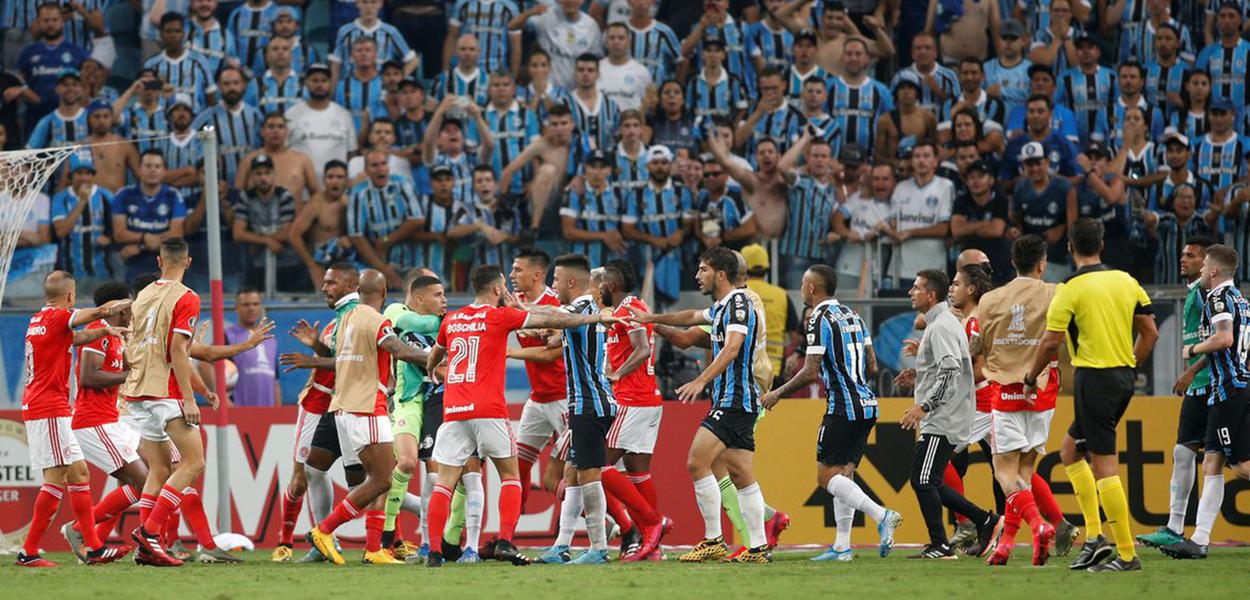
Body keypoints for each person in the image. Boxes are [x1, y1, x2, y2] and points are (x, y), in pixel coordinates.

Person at [421, 264, 625, 567]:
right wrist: (597, 316)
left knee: (444, 483)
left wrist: (431, 370)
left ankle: (434, 552)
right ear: (495, 290)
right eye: (503, 285)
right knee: (510, 476)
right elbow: (549, 317)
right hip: (488, 410)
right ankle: (505, 541)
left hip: (454, 411)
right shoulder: (500, 316)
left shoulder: (452, 319)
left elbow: (436, 354)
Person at [1021, 218, 1159, 572]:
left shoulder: (1069, 288)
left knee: (1104, 468)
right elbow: (1150, 333)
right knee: (1070, 452)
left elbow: (1050, 342)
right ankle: (1095, 536)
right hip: (1122, 378)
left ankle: (1127, 555)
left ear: (1069, 247)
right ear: (1101, 245)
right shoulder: (1126, 281)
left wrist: (1030, 376)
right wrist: (1130, 366)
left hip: (1094, 380)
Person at [628, 247, 774, 563]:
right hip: (736, 400)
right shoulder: (723, 306)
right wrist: (651, 318)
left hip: (734, 400)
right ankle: (759, 547)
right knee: (740, 473)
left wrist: (701, 380)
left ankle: (713, 540)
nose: (697, 276)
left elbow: (733, 348)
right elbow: (690, 317)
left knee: (697, 462)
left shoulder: (738, 303)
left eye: (703, 269)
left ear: (721, 274)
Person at [280, 268, 432, 565]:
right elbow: (398, 349)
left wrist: (314, 353)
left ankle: (375, 547)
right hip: (367, 407)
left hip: (344, 408)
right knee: (383, 479)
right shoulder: (376, 320)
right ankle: (325, 531)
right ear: (384, 294)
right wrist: (436, 358)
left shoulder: (346, 319)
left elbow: (342, 359)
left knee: (374, 480)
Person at [763, 264, 902, 562]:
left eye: (802, 283)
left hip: (842, 405)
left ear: (813, 288)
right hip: (867, 403)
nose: (801, 288)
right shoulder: (854, 316)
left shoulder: (818, 319)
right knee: (844, 474)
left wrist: (777, 392)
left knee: (826, 477)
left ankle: (881, 514)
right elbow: (872, 364)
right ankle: (842, 546)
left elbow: (810, 370)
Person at [15, 271, 133, 568]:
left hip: (50, 407)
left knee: (79, 473)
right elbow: (94, 313)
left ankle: (93, 547)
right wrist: (116, 307)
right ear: (70, 295)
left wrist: (106, 332)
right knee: (55, 480)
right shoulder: (59, 316)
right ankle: (28, 551)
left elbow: (75, 338)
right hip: (49, 407)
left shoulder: (39, 320)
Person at [975, 238, 1077, 566]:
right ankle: (1006, 544)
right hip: (1043, 392)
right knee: (1024, 471)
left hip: (1005, 391)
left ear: (1013, 261)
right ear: (1042, 264)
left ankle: (1038, 525)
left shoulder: (990, 299)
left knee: (1004, 473)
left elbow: (978, 346)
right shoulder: (1056, 292)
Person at [121, 238, 222, 566]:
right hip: (166, 394)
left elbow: (131, 344)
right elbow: (179, 350)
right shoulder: (187, 297)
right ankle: (149, 535)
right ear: (188, 262)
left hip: (137, 392)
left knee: (161, 468)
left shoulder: (142, 295)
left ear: (159, 261)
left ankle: (145, 549)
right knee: (194, 464)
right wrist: (190, 399)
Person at [894, 269, 1003, 559]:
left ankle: (941, 543)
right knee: (930, 480)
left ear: (931, 296)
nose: (910, 292)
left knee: (923, 480)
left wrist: (924, 406)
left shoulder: (940, 326)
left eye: (916, 288)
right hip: (947, 414)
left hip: (942, 418)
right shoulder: (943, 322)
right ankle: (984, 520)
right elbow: (948, 368)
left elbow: (951, 370)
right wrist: (919, 378)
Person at [1164, 244, 1250, 560]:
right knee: (1212, 460)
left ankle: (1199, 539)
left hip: (1229, 390)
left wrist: (1194, 350)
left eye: (1203, 268)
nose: (1200, 273)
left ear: (1213, 270)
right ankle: (1199, 539)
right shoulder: (1241, 299)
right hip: (1231, 387)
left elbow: (1225, 338)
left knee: (1240, 466)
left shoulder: (1217, 298)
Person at [1136, 236, 1214, 552]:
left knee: (1232, 463)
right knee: (1185, 452)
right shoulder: (1196, 291)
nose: (1183, 259)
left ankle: (1177, 527)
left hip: (1211, 384)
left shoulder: (1209, 294)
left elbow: (1222, 339)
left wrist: (1192, 370)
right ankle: (1174, 527)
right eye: (1182, 254)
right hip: (1202, 385)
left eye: (1191, 255)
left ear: (1207, 262)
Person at [379, 275, 446, 558]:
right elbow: (413, 324)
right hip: (405, 401)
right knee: (405, 463)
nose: (444, 301)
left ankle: (434, 541)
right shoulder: (396, 312)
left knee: (436, 473)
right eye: (438, 295)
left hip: (435, 400)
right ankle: (388, 535)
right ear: (418, 297)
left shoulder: (445, 323)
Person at [347, 150, 425, 289]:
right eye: (374, 165)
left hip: (408, 259)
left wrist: (387, 240)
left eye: (383, 164)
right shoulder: (358, 193)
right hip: (375, 261)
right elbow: (356, 235)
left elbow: (417, 219)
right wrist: (383, 269)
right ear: (366, 170)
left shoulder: (402, 183)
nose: (380, 168)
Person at [885, 143, 954, 290]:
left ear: (935, 161)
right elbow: (893, 224)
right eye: (917, 156)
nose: (921, 160)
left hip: (934, 270)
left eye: (926, 156)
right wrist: (891, 231)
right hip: (901, 268)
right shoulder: (901, 187)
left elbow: (944, 228)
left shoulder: (945, 186)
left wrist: (910, 232)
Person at [111, 151, 187, 282]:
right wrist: (146, 238)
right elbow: (119, 234)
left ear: (164, 171)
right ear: (139, 169)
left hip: (164, 258)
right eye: (148, 166)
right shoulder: (124, 194)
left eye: (157, 166)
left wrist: (142, 245)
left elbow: (176, 234)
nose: (153, 170)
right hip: (131, 260)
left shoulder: (173, 195)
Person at [17, 3, 89, 130]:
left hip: (70, 117)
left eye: (54, 20)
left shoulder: (78, 53)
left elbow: (86, 87)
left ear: (62, 21)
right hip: (35, 118)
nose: (50, 24)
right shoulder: (28, 53)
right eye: (46, 20)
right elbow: (19, 83)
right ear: (38, 22)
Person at [1009, 141, 1073, 281]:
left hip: (1057, 258)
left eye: (1038, 163)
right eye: (1029, 164)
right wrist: (1014, 229)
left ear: (1047, 162)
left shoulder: (1063, 187)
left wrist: (1061, 228)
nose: (1034, 168)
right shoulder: (1021, 188)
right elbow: (1015, 218)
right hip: (1029, 261)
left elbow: (1074, 223)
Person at [193, 66, 263, 190]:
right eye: (226, 84)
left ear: (243, 85)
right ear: (219, 86)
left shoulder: (256, 116)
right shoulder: (207, 119)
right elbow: (197, 152)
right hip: (219, 190)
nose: (232, 88)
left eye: (236, 83)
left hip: (252, 190)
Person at [51, 155, 114, 290]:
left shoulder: (106, 196)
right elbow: (61, 231)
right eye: (79, 173)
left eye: (88, 173)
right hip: (70, 274)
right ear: (71, 176)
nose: (84, 178)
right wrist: (82, 201)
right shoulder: (61, 198)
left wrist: (110, 240)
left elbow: (117, 229)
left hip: (103, 272)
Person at [510, 0, 603, 91]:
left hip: (576, 92)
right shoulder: (545, 17)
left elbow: (596, 60)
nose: (569, 1)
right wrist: (530, 13)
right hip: (548, 90)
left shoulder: (591, 26)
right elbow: (512, 26)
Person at [287, 63, 358, 175]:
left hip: (336, 186)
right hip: (302, 185)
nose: (319, 85)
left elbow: (352, 153)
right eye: (314, 80)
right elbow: (283, 151)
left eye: (323, 80)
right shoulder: (292, 114)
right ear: (306, 83)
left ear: (330, 83)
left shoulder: (344, 115)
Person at [561, 150, 626, 266]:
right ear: (585, 168)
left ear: (610, 170)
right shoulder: (574, 192)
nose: (597, 172)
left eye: (602, 167)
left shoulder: (620, 193)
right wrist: (603, 236)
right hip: (582, 265)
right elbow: (568, 232)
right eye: (593, 166)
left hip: (613, 263)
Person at [236, 113, 320, 202]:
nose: (276, 131)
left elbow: (317, 195)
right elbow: (237, 198)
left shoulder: (303, 160)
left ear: (287, 132)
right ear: (262, 132)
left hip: (295, 215)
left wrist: (306, 215)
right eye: (271, 127)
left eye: (280, 127)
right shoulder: (248, 160)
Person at [951, 160, 1011, 284]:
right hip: (968, 265)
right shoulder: (961, 201)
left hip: (997, 264)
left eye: (981, 176)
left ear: (991, 180)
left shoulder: (1000, 199)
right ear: (966, 181)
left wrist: (968, 227)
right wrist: (986, 223)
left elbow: (996, 230)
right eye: (972, 177)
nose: (976, 181)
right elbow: (957, 231)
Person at [330, 0, 416, 83]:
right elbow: (336, 63)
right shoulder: (345, 31)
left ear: (381, 4)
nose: (369, 7)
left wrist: (397, 80)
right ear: (357, 3)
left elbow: (412, 60)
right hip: (350, 91)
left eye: (374, 2)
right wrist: (333, 92)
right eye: (364, 2)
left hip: (381, 91)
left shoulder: (390, 32)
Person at [143, 13, 214, 113]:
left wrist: (207, 126)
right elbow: (145, 99)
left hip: (195, 122)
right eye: (168, 31)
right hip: (162, 123)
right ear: (161, 34)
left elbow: (210, 94)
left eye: (177, 31)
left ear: (184, 34)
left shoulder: (199, 61)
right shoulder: (151, 65)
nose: (173, 35)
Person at [1055, 31, 1116, 146]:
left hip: (1105, 141)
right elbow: (1056, 108)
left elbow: (1118, 107)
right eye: (1081, 48)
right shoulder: (1064, 78)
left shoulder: (1112, 77)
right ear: (1076, 52)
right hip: (1073, 140)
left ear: (1098, 52)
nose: (1085, 52)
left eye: (1090, 47)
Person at [224, 288, 279, 406]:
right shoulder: (228, 335)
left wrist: (278, 411)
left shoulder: (270, 339)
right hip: (239, 410)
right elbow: (204, 365)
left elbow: (275, 380)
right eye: (246, 305)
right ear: (236, 308)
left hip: (268, 411)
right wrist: (223, 398)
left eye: (255, 304)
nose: (251, 308)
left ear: (261, 307)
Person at [445, 0, 522, 75]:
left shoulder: (510, 7)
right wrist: (445, 71)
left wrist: (513, 77)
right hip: (464, 69)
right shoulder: (463, 3)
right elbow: (452, 38)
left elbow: (515, 45)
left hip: (495, 70)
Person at [565, 53, 621, 151]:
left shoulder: (612, 106)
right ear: (575, 73)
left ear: (598, 74)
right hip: (574, 162)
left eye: (590, 70)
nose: (585, 74)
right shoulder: (564, 104)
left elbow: (618, 137)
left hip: (606, 163)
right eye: (581, 70)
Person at [25, 70, 89, 150]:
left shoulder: (90, 118)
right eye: (65, 85)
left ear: (81, 89)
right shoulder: (48, 121)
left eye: (75, 85)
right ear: (57, 89)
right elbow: (29, 151)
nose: (70, 89)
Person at [982, 19, 1032, 119]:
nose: (1008, 43)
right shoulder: (986, 67)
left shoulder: (1031, 69)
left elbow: (1031, 96)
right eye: (1004, 38)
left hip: (1021, 122)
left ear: (1023, 41)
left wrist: (1002, 91)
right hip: (991, 122)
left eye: (1013, 38)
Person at [599, 22, 653, 111]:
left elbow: (647, 105)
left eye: (621, 38)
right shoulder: (596, 70)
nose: (616, 42)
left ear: (629, 43)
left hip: (630, 123)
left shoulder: (642, 72)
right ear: (606, 42)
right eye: (612, 38)